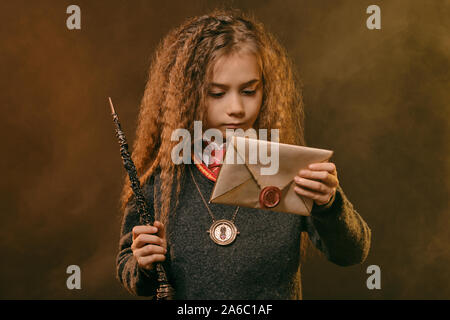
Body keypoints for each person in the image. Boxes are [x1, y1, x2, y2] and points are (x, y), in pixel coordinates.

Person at [115, 8, 371, 299]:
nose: (236, 108)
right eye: (217, 93)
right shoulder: (160, 179)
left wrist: (329, 204)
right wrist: (142, 263)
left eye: (249, 91)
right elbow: (130, 270)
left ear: (266, 90)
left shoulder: (288, 169)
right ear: (187, 95)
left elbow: (351, 252)